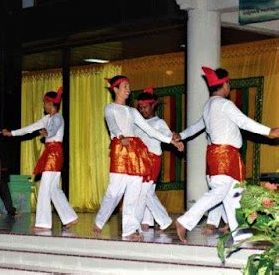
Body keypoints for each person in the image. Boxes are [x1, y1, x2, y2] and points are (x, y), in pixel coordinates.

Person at [174, 67, 279, 243]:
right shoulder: (223, 104)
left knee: (234, 198)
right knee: (220, 192)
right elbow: (243, 122)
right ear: (224, 84)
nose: (229, 86)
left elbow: (197, 127)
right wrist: (270, 131)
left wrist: (181, 135)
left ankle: (241, 237)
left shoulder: (209, 105)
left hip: (222, 155)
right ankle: (184, 221)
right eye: (228, 83)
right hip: (224, 156)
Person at [93, 76, 184, 239]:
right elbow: (112, 124)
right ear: (115, 89)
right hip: (121, 149)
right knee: (114, 191)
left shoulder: (132, 111)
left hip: (135, 151)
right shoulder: (110, 108)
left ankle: (130, 229)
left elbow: (150, 130)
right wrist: (120, 136)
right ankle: (100, 221)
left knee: (134, 192)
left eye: (129, 86)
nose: (128, 89)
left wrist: (171, 141)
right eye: (124, 86)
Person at [2, 87, 78, 231]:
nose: (43, 105)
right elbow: (32, 127)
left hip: (54, 153)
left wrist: (47, 132)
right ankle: (69, 217)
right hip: (51, 152)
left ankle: (43, 223)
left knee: (44, 187)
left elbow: (53, 130)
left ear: (50, 103)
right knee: (53, 188)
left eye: (44, 103)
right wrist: (12, 133)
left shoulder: (58, 118)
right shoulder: (47, 118)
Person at [133, 87, 173, 232]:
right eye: (141, 108)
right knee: (144, 191)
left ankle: (164, 219)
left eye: (145, 107)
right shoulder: (137, 123)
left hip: (153, 160)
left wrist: (175, 139)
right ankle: (147, 220)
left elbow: (168, 136)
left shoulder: (159, 122)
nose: (143, 110)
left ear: (152, 106)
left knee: (146, 191)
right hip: (139, 160)